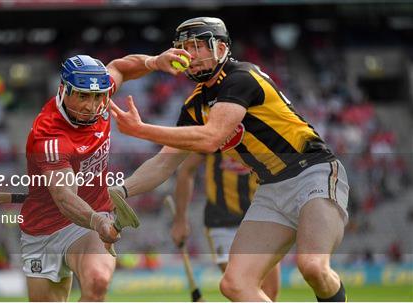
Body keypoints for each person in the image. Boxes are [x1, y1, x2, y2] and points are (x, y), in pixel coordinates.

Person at [109, 17, 349, 302]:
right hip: (271, 189)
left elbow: (212, 137)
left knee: (312, 266)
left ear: (221, 48)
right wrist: (122, 191)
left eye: (198, 46)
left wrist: (141, 130)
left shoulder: (241, 78)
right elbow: (165, 163)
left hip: (312, 172)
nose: (190, 55)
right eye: (185, 48)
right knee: (235, 284)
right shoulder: (195, 106)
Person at [20, 54, 184, 301]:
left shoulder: (100, 97)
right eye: (83, 96)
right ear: (64, 91)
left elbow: (118, 67)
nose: (92, 105)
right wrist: (98, 222)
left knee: (97, 282)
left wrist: (153, 62)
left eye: (99, 96)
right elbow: (64, 197)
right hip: (44, 229)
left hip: (88, 223)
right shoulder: (49, 136)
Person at [172, 152, 280, 300]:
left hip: (260, 218)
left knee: (269, 291)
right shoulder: (212, 134)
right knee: (240, 286)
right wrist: (180, 220)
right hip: (222, 222)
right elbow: (186, 170)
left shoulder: (262, 133)